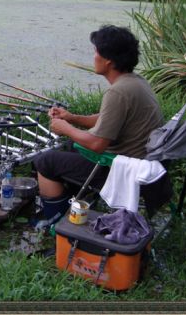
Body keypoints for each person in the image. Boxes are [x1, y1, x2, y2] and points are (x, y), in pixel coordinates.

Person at [33, 25, 164, 226]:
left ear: (108, 61)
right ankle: (73, 200)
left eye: (96, 52)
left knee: (45, 161)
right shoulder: (134, 82)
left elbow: (97, 144)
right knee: (67, 147)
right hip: (140, 160)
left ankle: (55, 219)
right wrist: (71, 117)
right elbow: (107, 118)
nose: (93, 56)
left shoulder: (118, 92)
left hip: (120, 170)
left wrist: (65, 128)